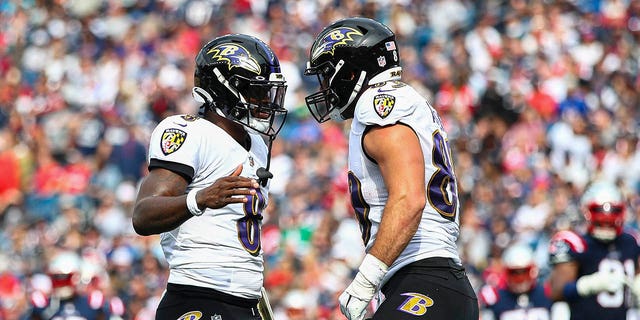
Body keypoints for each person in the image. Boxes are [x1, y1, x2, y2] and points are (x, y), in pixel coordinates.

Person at [303, 17, 478, 320]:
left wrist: (366, 279)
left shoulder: (378, 104)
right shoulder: (402, 100)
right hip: (429, 283)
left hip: (426, 279)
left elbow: (409, 200)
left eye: (328, 74)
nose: (326, 85)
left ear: (351, 69)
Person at [132, 33, 288, 320]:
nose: (266, 99)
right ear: (224, 90)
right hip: (199, 296)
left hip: (247, 302)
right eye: (256, 90)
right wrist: (200, 198)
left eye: (268, 91)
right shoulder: (189, 132)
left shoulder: (257, 143)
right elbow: (143, 215)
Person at [548, 180, 640, 320]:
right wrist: (586, 285)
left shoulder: (631, 241)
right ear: (586, 212)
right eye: (601, 220)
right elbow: (556, 292)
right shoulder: (576, 243)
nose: (606, 224)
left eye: (610, 221)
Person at [27, 250, 124, 320]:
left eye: (65, 278)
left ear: (77, 277)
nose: (61, 282)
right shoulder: (43, 306)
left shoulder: (92, 304)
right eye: (57, 278)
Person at [479, 243, 555, 320]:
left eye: (524, 272)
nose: (520, 278)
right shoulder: (496, 298)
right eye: (514, 273)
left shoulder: (547, 294)